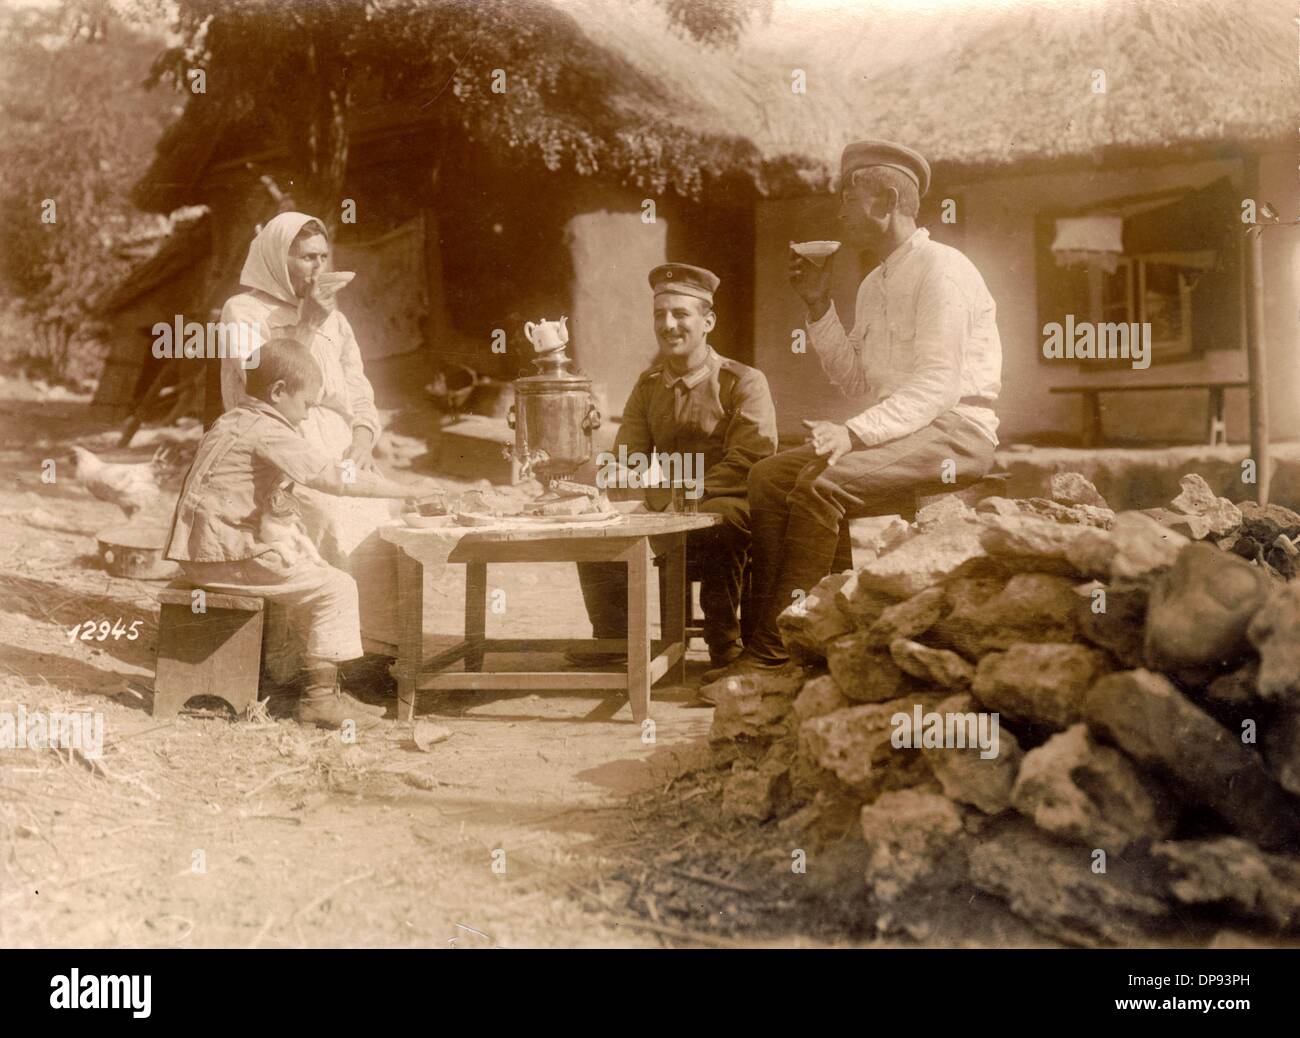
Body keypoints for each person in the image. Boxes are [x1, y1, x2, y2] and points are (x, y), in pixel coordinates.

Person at [703, 139, 1002, 685]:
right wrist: (819, 305)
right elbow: (859, 380)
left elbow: (938, 385)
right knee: (770, 475)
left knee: (823, 483)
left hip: (958, 431)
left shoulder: (943, 270)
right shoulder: (874, 282)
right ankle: (791, 638)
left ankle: (774, 654)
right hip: (909, 428)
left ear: (886, 201)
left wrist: (854, 433)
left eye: (849, 195)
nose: (838, 209)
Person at [167, 339, 439, 729]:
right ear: (278, 392)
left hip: (203, 550)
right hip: (222, 558)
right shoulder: (270, 432)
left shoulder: (234, 420)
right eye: (307, 403)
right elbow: (332, 476)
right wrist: (408, 489)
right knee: (336, 586)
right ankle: (319, 701)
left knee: (312, 569)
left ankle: (325, 688)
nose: (309, 414)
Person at [575, 263, 778, 671]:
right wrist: (621, 484)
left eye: (681, 314)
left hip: (728, 503)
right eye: (659, 315)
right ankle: (615, 641)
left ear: (708, 321)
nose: (668, 325)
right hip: (664, 506)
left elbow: (750, 460)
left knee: (718, 520)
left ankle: (726, 648)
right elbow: (629, 459)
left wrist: (679, 491)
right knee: (594, 518)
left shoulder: (743, 382)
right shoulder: (648, 387)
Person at [219, 211, 396, 672]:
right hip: (278, 441)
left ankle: (368, 656)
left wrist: (362, 437)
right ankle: (301, 669)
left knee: (377, 521)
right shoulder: (244, 312)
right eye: (306, 258)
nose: (317, 269)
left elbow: (357, 386)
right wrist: (307, 324)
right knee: (322, 518)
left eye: (323, 257)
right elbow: (264, 386)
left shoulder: (335, 319)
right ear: (280, 258)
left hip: (338, 441)